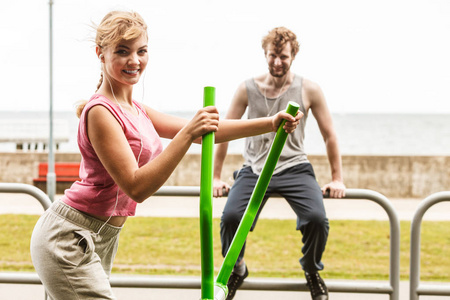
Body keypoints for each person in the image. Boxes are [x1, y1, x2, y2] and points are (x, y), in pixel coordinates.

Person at [30, 12, 301, 300]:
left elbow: (202, 133)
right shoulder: (100, 112)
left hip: (101, 237)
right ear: (100, 53)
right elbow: (137, 187)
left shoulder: (136, 109)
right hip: (70, 238)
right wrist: (186, 135)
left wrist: (269, 123)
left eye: (141, 51)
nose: (134, 61)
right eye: (123, 51)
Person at [213, 27, 346, 300]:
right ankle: (237, 268)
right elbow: (224, 130)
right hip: (254, 169)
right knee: (230, 218)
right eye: (272, 55)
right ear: (265, 54)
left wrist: (337, 178)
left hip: (294, 167)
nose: (277, 62)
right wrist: (216, 176)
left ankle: (311, 269)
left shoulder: (309, 89)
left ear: (293, 56)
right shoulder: (247, 89)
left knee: (317, 220)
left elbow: (329, 135)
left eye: (283, 56)